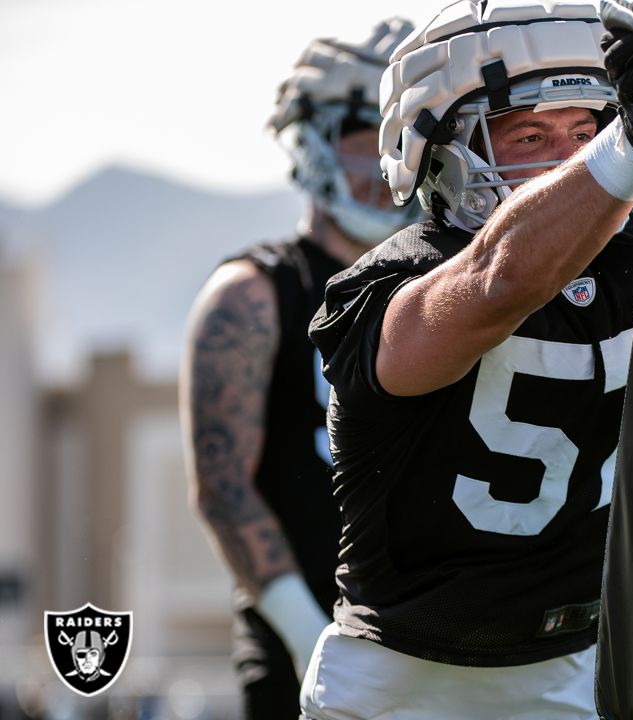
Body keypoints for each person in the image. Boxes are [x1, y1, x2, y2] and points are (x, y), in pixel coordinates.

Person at [300, 1, 633, 717]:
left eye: (586, 130)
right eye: (531, 133)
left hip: (582, 671)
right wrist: (627, 146)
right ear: (438, 148)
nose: (572, 158)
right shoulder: (385, 285)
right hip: (404, 683)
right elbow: (499, 281)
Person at [179, 18, 420, 719]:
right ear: (312, 143)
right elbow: (224, 491)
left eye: (398, 137)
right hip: (303, 640)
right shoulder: (253, 293)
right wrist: (310, 635)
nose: (384, 161)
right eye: (363, 136)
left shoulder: (442, 285)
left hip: (429, 640)